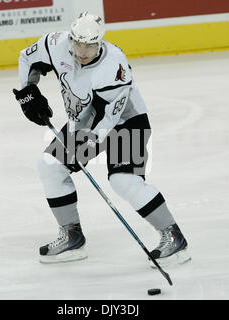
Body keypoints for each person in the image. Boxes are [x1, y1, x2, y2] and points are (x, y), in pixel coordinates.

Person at [13, 11, 191, 266]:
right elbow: (26, 59)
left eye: (90, 45)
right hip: (84, 121)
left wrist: (84, 145)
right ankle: (72, 236)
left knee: (123, 181)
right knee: (50, 165)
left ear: (100, 43)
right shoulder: (56, 44)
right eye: (78, 43)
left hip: (126, 122)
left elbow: (108, 118)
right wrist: (28, 92)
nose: (83, 51)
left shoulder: (114, 66)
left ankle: (173, 237)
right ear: (70, 38)